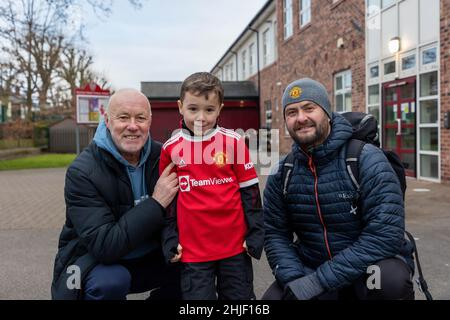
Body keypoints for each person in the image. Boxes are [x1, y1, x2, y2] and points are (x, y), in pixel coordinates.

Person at [262, 78, 415, 300]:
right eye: (292, 112)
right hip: (312, 266)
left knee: (390, 281)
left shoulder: (365, 158)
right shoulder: (282, 172)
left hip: (366, 268)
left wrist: (319, 282)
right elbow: (275, 233)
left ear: (326, 112)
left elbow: (384, 235)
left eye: (309, 108)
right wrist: (295, 279)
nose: (301, 118)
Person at [51, 88, 181, 300]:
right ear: (108, 121)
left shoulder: (165, 158)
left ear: (150, 121)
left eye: (140, 118)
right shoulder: (82, 172)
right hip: (95, 263)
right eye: (123, 117)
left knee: (196, 266)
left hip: (151, 256)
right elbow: (105, 246)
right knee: (110, 283)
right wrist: (156, 202)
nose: (132, 126)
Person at [160, 72, 264, 300]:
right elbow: (168, 201)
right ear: (180, 107)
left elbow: (251, 192)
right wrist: (170, 238)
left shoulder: (234, 142)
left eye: (209, 109)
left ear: (220, 109)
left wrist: (256, 233)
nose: (201, 117)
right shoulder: (170, 148)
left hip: (235, 249)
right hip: (193, 253)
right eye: (193, 108)